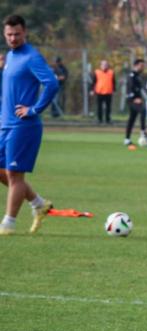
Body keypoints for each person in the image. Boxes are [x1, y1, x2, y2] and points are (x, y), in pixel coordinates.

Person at [0, 15, 58, 236]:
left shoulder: (32, 57)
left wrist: (33, 109)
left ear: (25, 33)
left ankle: (8, 223)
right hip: (6, 125)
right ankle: (38, 203)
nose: (13, 38)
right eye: (9, 34)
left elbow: (51, 83)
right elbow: (9, 91)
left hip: (23, 126)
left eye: (17, 34)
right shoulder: (10, 57)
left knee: (15, 176)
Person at [124, 58, 147, 149]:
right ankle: (142, 131)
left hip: (137, 99)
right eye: (141, 65)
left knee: (132, 118)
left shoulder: (138, 75)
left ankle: (127, 139)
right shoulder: (131, 75)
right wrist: (134, 98)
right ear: (136, 65)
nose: (143, 67)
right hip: (132, 100)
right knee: (143, 110)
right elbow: (129, 88)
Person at [91, 60, 115, 124]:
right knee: (99, 107)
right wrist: (92, 90)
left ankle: (108, 120)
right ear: (100, 66)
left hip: (108, 92)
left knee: (108, 107)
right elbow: (94, 82)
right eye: (103, 65)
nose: (104, 66)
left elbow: (113, 82)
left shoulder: (111, 72)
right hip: (99, 92)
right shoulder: (97, 72)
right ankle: (99, 119)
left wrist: (114, 90)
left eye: (106, 65)